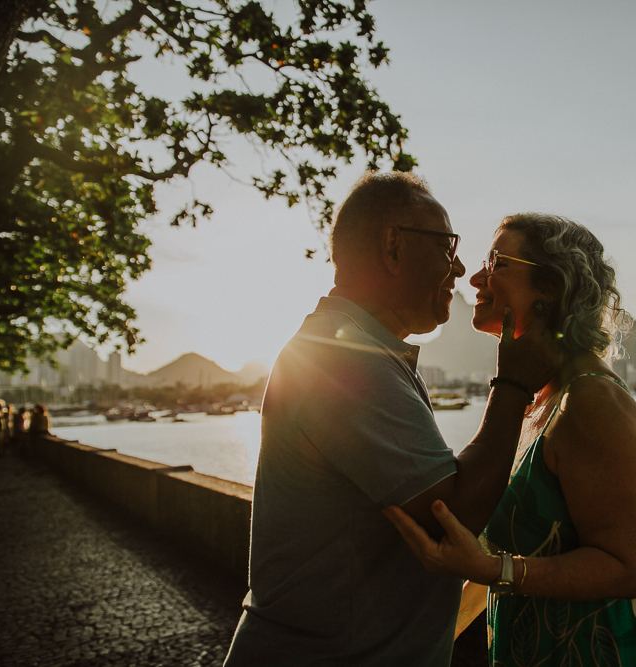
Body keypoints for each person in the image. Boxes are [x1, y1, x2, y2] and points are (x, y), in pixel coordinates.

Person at [223, 173, 561, 666]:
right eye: (449, 247)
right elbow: (452, 519)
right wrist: (512, 386)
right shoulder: (343, 361)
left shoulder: (354, 349)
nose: (462, 268)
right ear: (393, 247)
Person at [384, 213, 636, 666]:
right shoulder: (534, 395)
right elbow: (486, 565)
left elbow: (626, 567)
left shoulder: (591, 400)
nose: (477, 276)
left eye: (497, 262)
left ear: (550, 288)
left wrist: (494, 569)